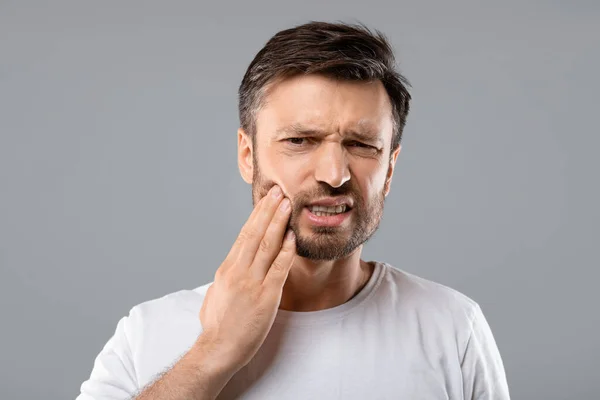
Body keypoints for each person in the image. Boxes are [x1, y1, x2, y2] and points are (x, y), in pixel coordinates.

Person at [77, 21, 510, 399]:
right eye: (299, 141)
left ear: (390, 168)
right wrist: (212, 354)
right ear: (248, 156)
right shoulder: (149, 332)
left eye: (361, 145)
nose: (334, 173)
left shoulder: (453, 328)